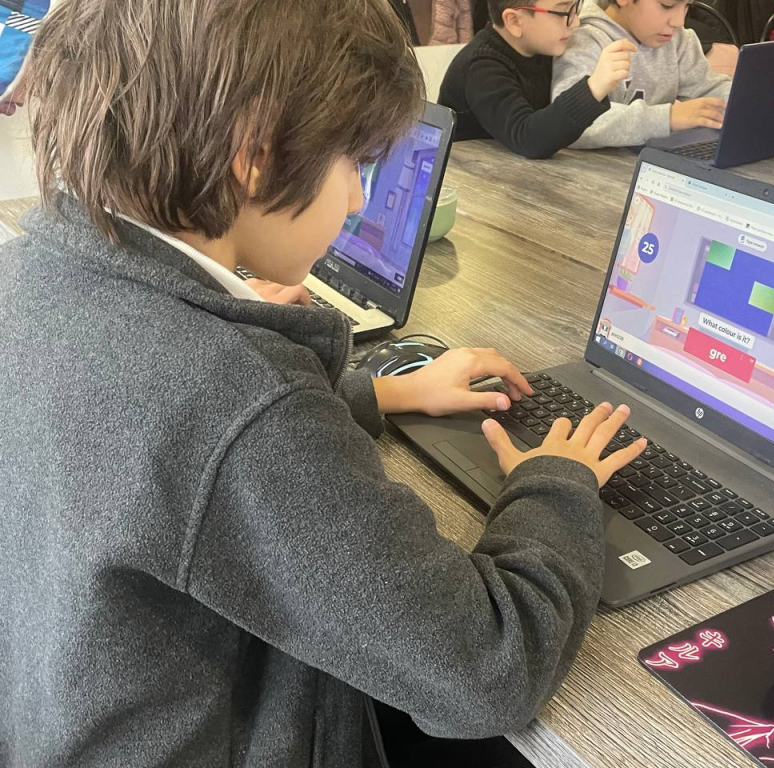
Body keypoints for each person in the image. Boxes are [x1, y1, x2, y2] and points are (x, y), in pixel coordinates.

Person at [0, 1, 647, 766]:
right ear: (256, 155)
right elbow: (489, 669)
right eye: (356, 164)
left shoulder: (37, 269)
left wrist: (382, 392)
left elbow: (173, 462)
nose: (360, 200)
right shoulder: (235, 398)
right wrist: (556, 483)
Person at [440, 0, 636, 158]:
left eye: (575, 7)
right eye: (562, 12)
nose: (575, 22)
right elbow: (527, 138)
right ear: (515, 21)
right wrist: (593, 88)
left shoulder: (544, 48)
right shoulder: (481, 68)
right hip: (468, 182)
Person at [551, 0, 731, 150]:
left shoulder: (679, 40)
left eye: (686, 6)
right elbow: (571, 126)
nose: (679, 21)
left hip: (651, 165)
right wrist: (667, 118)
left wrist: (741, 99)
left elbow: (711, 89)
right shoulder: (584, 40)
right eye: (667, 5)